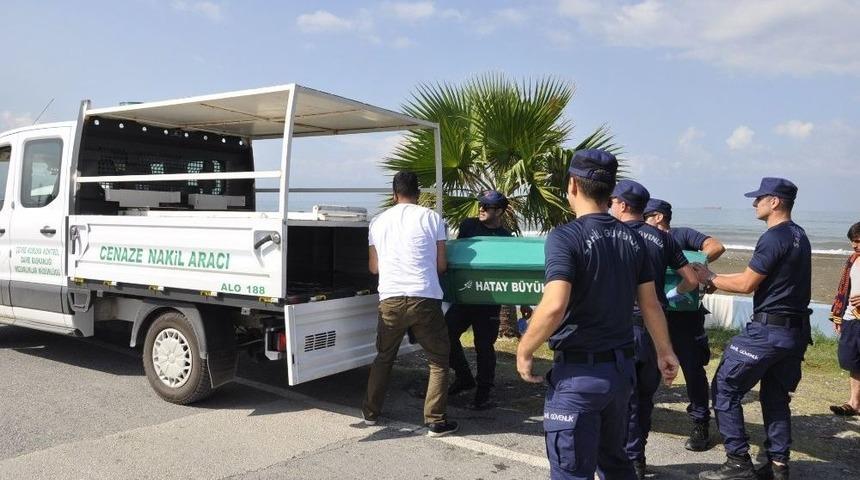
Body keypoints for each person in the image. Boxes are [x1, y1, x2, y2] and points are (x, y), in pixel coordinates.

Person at [515, 149, 680, 480]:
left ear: (573, 184)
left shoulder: (566, 237)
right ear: (611, 191)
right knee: (614, 463)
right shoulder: (634, 240)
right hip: (620, 375)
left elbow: (554, 304)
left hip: (578, 376)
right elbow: (650, 304)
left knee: (572, 471)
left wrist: (525, 349)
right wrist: (665, 351)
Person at [693, 178, 811, 480]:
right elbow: (757, 277)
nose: (754, 203)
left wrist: (709, 277)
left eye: (759, 198)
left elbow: (746, 284)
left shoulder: (773, 237)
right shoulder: (800, 235)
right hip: (795, 333)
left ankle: (738, 462)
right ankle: (778, 465)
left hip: (768, 332)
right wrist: (717, 278)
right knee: (775, 398)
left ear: (774, 202)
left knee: (724, 388)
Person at [610, 183, 699, 479]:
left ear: (622, 205)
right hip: (654, 328)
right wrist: (672, 295)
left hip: (619, 327)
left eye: (613, 201)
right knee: (643, 398)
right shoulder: (663, 238)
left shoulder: (611, 233)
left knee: (615, 397)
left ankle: (617, 458)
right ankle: (636, 459)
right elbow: (691, 279)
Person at [362, 171, 458, 437]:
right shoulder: (431, 218)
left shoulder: (378, 222)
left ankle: (370, 414)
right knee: (438, 359)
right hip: (424, 298)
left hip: (390, 299)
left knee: (384, 357)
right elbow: (441, 265)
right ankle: (436, 421)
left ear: (394, 194)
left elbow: (373, 268)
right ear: (418, 193)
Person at [644, 198, 726, 451]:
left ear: (658, 217)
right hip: (653, 315)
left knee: (692, 371)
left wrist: (693, 265)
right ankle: (639, 422)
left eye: (646, 216)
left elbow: (716, 246)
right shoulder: (640, 238)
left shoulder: (682, 235)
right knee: (646, 370)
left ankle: (700, 422)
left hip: (686, 318)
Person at [447, 190, 511, 409]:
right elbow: (458, 255)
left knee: (484, 346)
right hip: (465, 296)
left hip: (489, 301)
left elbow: (508, 273)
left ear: (500, 211)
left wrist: (520, 301)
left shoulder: (506, 238)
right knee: (445, 335)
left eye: (487, 207)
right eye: (480, 205)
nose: (481, 209)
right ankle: (464, 377)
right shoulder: (468, 226)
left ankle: (484, 392)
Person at [828, 221, 860, 417]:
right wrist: (838, 316)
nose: (855, 245)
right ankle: (853, 403)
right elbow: (843, 289)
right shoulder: (852, 259)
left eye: (858, 241)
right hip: (851, 317)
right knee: (852, 360)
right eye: (852, 241)